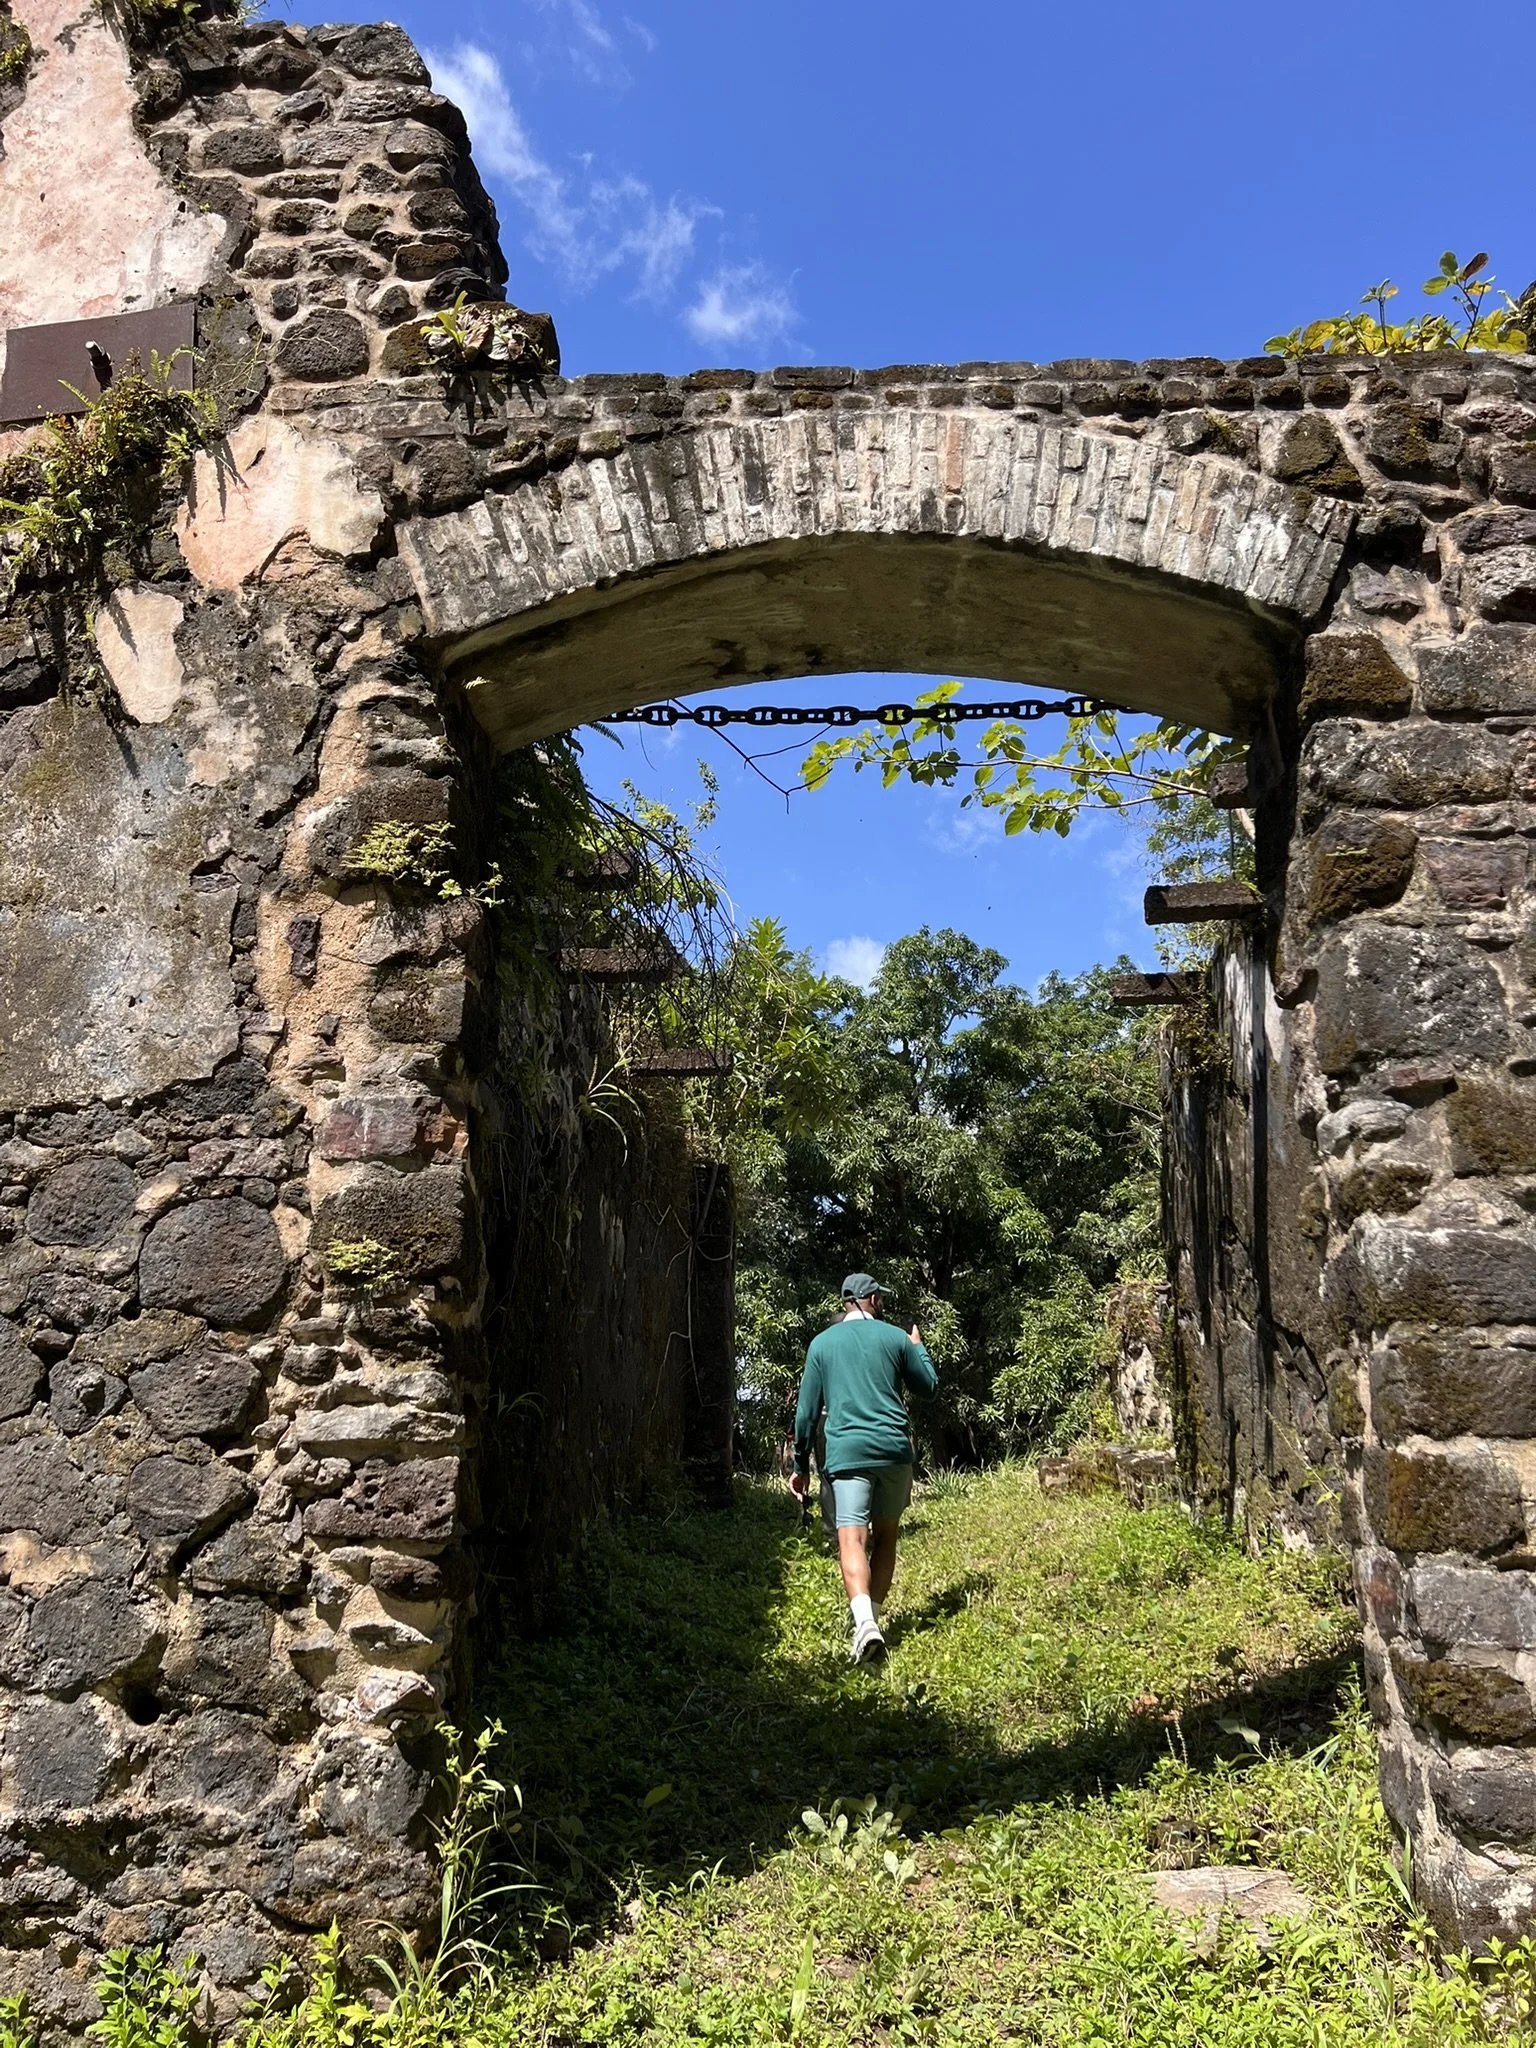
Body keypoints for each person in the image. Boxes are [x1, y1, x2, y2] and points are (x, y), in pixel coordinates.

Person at [789, 1272, 938, 1665]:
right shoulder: (894, 1338)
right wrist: (917, 1347)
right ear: (870, 1298)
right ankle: (870, 1618)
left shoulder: (821, 1344)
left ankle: (865, 1623)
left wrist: (800, 1463)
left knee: (852, 1539)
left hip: (848, 1452)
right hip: (893, 1451)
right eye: (880, 1297)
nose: (882, 1303)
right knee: (887, 1536)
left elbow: (806, 1414)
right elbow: (928, 1386)